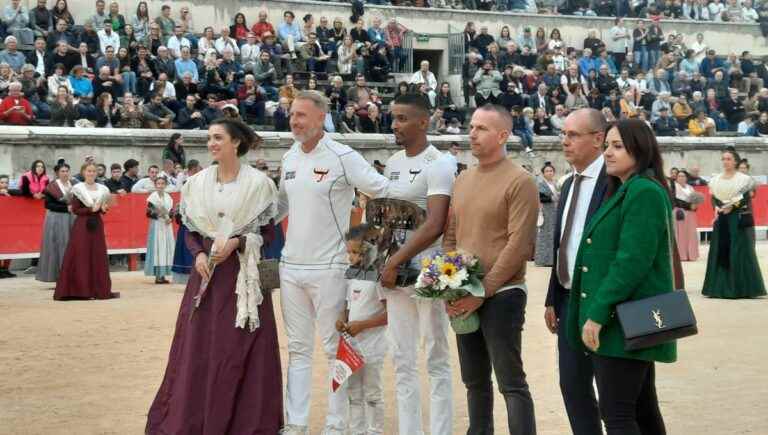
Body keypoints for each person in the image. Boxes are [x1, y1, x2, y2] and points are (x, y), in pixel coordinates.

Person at [146, 119, 283, 433]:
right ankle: (195, 418)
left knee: (241, 345)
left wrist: (239, 241)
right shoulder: (196, 183)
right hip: (207, 274)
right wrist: (198, 254)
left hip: (243, 275)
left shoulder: (259, 184)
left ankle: (246, 420)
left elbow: (268, 232)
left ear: (236, 142)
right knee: (200, 346)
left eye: (218, 138)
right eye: (209, 138)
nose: (211, 143)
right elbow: (189, 229)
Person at [276, 91, 389, 435]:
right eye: (292, 115)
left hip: (329, 268)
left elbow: (382, 189)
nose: (295, 121)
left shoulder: (343, 156)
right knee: (297, 349)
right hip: (290, 267)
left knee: (332, 347)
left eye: (302, 116)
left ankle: (336, 426)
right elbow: (280, 206)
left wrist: (377, 240)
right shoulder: (289, 157)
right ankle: (296, 423)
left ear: (322, 117)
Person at [568, 118, 677, 434]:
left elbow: (631, 262)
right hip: (628, 317)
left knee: (616, 414)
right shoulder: (629, 189)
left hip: (623, 320)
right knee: (641, 410)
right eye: (606, 147)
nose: (608, 153)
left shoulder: (642, 191)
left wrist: (597, 313)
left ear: (639, 150)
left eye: (617, 146)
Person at [442, 104, 538, 435]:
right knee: (474, 381)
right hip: (465, 292)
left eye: (482, 128)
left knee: (511, 383)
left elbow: (518, 246)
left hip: (504, 294)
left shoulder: (520, 181)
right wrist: (450, 285)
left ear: (502, 135)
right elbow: (451, 236)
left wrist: (481, 293)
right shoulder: (463, 179)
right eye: (471, 126)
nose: (472, 133)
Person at [378, 94, 455, 435]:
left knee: (436, 356)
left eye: (402, 118)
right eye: (393, 118)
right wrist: (380, 259)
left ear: (423, 122)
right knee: (402, 357)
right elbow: (388, 217)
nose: (394, 124)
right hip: (395, 268)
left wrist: (394, 260)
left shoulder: (440, 163)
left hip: (430, 268)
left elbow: (435, 223)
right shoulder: (393, 161)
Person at [544, 108, 609, 435]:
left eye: (573, 135)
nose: (564, 142)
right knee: (572, 385)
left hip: (604, 304)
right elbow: (562, 246)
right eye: (564, 134)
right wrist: (552, 297)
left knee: (614, 395)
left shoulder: (615, 182)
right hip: (569, 301)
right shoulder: (568, 184)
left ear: (598, 139)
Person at [335, 224, 388, 435]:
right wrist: (342, 320)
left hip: (373, 344)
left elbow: (390, 314)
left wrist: (362, 326)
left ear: (370, 249)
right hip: (351, 344)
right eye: (348, 252)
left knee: (373, 392)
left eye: (355, 252)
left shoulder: (379, 277)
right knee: (353, 391)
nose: (350, 257)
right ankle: (356, 430)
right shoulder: (351, 274)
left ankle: (374, 430)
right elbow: (348, 306)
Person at [702, 149, 766, 299]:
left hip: (736, 220)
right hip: (722, 219)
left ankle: (742, 288)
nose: (725, 162)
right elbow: (714, 199)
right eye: (723, 159)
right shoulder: (716, 179)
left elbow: (745, 198)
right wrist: (717, 207)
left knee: (738, 250)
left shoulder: (743, 179)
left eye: (729, 159)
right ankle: (717, 288)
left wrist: (732, 206)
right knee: (720, 249)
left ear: (735, 161)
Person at [54, 163, 116, 301]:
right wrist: (90, 210)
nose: (92, 173)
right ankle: (81, 290)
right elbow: (75, 209)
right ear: (83, 172)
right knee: (81, 255)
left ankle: (97, 289)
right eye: (89, 171)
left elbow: (102, 208)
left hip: (97, 225)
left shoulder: (102, 189)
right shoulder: (78, 189)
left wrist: (103, 209)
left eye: (94, 171)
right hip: (82, 225)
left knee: (97, 255)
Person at [35, 159, 75, 284]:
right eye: (62, 171)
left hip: (71, 218)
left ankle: (70, 275)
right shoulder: (52, 186)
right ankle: (57, 276)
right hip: (56, 218)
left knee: (70, 245)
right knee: (57, 245)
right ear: (57, 173)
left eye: (67, 171)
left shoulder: (74, 184)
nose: (65, 173)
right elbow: (48, 205)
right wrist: (65, 208)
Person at [171, 159, 201, 285]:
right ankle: (192, 276)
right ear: (194, 169)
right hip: (191, 218)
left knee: (187, 246)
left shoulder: (188, 181)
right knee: (191, 246)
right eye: (199, 169)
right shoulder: (191, 182)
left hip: (189, 217)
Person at [144, 176, 175, 284]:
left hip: (166, 226)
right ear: (155, 185)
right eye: (158, 184)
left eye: (162, 184)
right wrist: (159, 214)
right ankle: (158, 275)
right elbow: (148, 213)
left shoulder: (169, 197)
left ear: (165, 185)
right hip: (157, 225)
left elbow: (172, 211)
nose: (160, 186)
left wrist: (170, 218)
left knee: (166, 248)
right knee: (158, 248)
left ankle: (163, 275)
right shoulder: (153, 198)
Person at [672, 170, 700, 262]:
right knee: (680, 234)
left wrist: (695, 206)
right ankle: (681, 255)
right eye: (679, 176)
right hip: (679, 213)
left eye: (683, 176)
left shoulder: (690, 188)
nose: (681, 178)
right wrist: (689, 206)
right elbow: (675, 201)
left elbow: (695, 200)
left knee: (691, 234)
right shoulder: (674, 187)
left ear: (686, 178)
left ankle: (691, 254)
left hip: (690, 214)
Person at [535, 162, 560, 267]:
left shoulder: (555, 184)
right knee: (545, 235)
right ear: (543, 173)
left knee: (553, 235)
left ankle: (552, 259)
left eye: (551, 171)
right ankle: (543, 259)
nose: (549, 173)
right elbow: (540, 197)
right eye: (547, 171)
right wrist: (552, 198)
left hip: (554, 211)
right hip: (546, 211)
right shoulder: (541, 184)